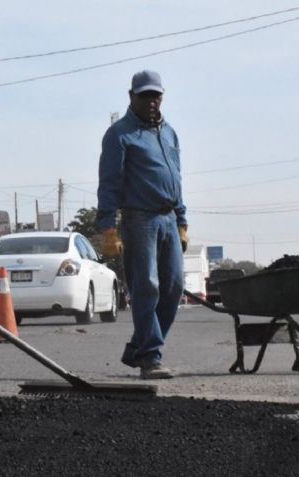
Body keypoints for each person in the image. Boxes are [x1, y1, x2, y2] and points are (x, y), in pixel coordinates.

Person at [96, 70, 188, 380]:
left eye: (156, 95)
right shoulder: (120, 135)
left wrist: (182, 220)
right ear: (131, 96)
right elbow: (109, 182)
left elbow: (177, 179)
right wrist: (107, 227)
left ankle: (139, 347)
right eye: (145, 95)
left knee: (174, 288)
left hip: (168, 218)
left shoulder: (170, 133)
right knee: (146, 287)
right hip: (139, 219)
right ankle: (150, 358)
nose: (152, 101)